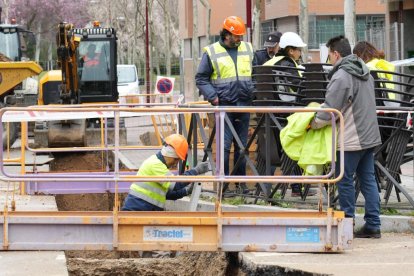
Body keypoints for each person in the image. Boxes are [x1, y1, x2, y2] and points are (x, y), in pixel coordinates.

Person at [310, 35, 382, 238]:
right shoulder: (364, 69)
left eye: (330, 55)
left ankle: (347, 223)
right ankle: (374, 224)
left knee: (344, 180)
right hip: (369, 135)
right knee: (368, 180)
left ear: (336, 54)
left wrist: (312, 123)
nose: (330, 60)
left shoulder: (342, 75)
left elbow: (329, 110)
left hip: (351, 138)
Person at [195, 16, 253, 193]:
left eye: (241, 36)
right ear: (227, 35)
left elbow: (256, 72)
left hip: (244, 104)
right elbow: (201, 78)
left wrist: (254, 90)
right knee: (225, 147)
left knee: (242, 147)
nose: (240, 39)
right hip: (224, 107)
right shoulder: (212, 52)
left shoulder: (247, 48)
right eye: (237, 36)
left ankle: (241, 184)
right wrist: (214, 98)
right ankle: (224, 186)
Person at [121, 134, 210, 211]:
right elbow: (175, 184)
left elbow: (168, 193)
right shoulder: (155, 164)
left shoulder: (158, 165)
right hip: (137, 210)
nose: (175, 163)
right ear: (170, 155)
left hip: (142, 210)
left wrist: (186, 191)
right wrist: (196, 171)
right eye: (176, 159)